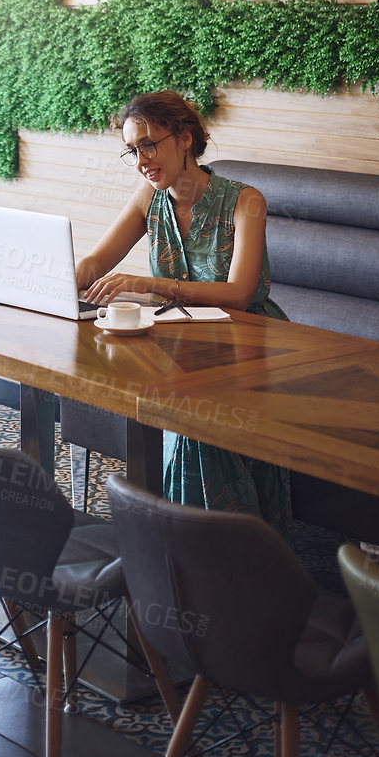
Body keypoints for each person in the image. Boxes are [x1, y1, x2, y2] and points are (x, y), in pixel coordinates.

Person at [75, 89, 292, 532]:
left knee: (195, 425)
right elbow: (97, 263)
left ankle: (210, 552)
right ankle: (196, 549)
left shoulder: (246, 201)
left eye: (150, 145)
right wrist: (49, 276)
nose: (141, 160)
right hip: (181, 344)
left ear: (185, 138)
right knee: (175, 408)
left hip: (251, 344)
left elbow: (237, 293)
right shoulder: (147, 198)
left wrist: (150, 283)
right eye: (133, 150)